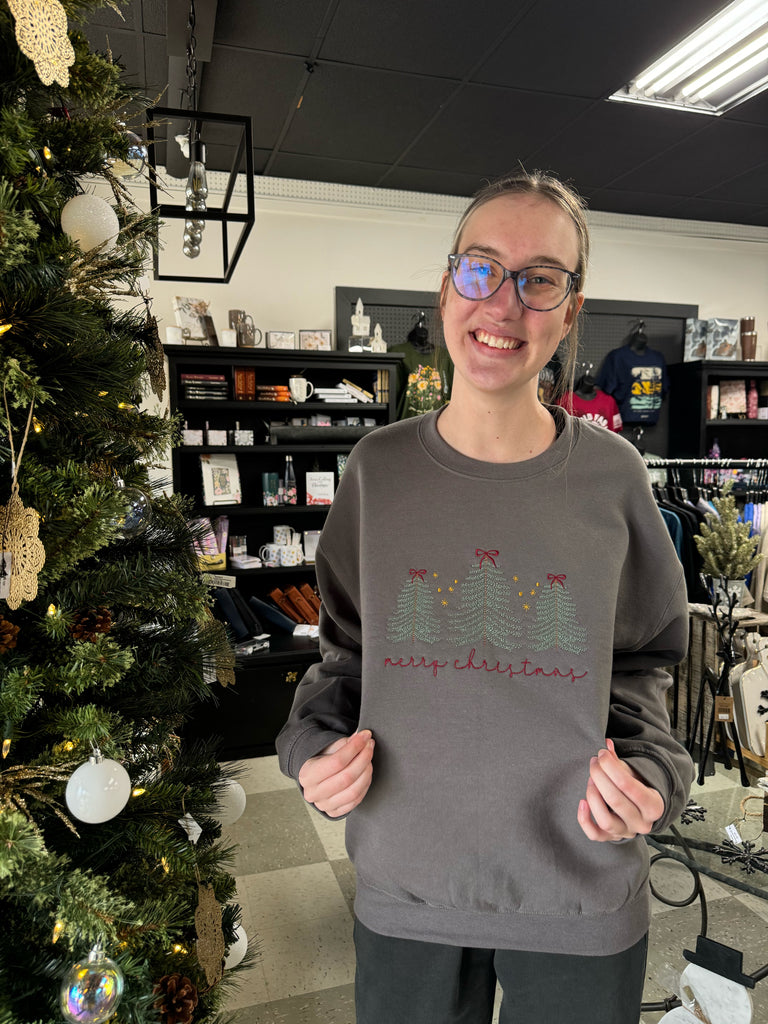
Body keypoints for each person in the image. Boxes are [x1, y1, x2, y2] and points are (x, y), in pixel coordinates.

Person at [276, 170, 694, 1024]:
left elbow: (645, 663)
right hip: (408, 888)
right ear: (446, 288)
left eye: (540, 279)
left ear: (570, 312)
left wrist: (653, 775)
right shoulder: (378, 471)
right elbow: (345, 653)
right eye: (481, 269)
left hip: (578, 891)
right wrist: (312, 748)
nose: (503, 303)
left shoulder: (613, 476)